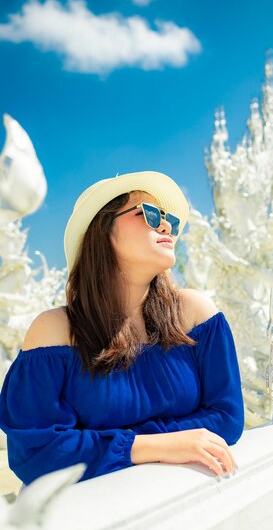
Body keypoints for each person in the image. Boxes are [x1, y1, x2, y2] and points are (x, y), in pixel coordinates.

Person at [0, 171, 244, 487]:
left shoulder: (197, 314)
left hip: (187, 500)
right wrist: (154, 446)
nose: (166, 225)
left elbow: (227, 417)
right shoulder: (55, 329)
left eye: (169, 219)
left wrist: (107, 444)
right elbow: (36, 452)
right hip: (93, 521)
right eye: (150, 214)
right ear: (103, 231)